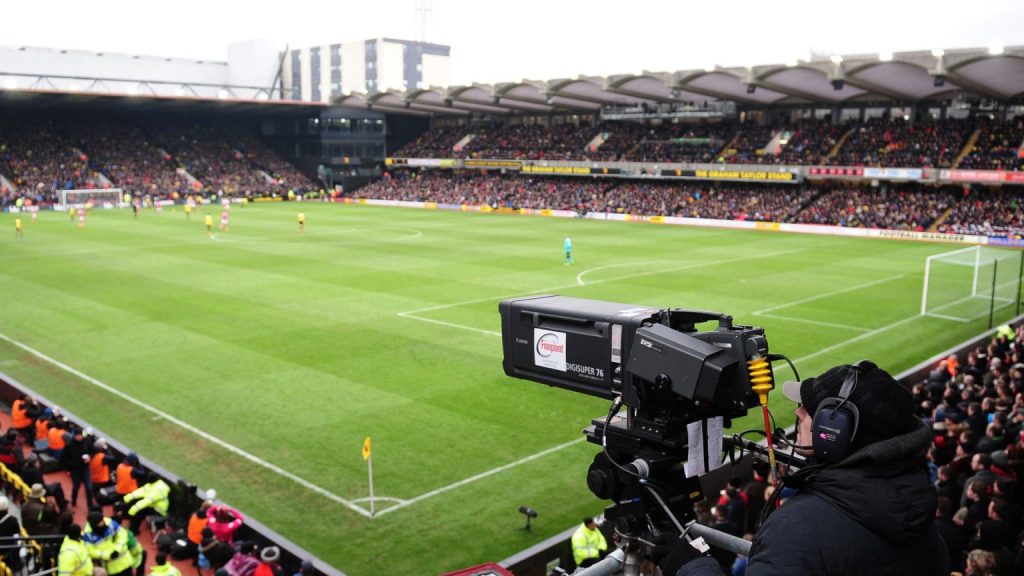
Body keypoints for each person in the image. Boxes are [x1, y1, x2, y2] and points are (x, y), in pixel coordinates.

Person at [660, 361, 949, 576]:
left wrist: (693, 567)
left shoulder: (797, 530)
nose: (798, 412)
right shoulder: (919, 504)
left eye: (809, 409)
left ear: (836, 429)